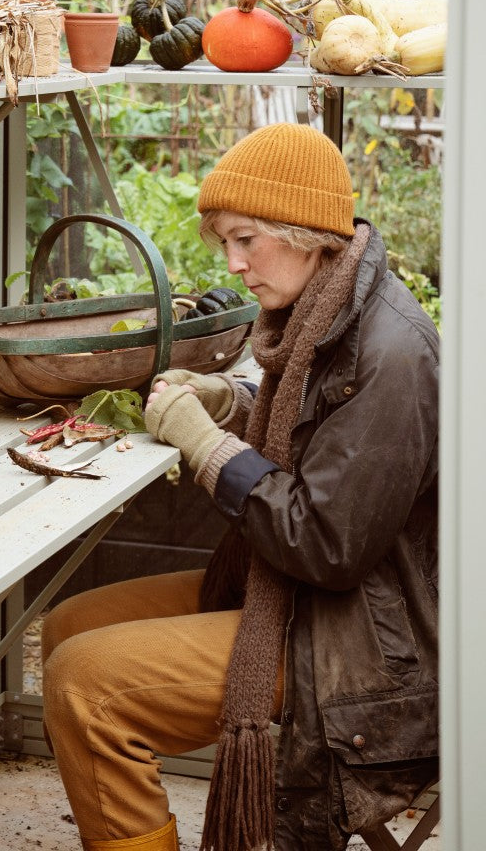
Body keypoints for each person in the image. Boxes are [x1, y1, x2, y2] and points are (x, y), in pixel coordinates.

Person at [42, 123, 438, 851]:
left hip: (368, 642)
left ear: (306, 230)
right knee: (69, 625)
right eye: (224, 241)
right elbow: (318, 440)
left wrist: (205, 445)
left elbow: (325, 543)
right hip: (316, 604)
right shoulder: (326, 309)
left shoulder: (392, 353)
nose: (234, 262)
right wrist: (231, 402)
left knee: (83, 682)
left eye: (246, 239)